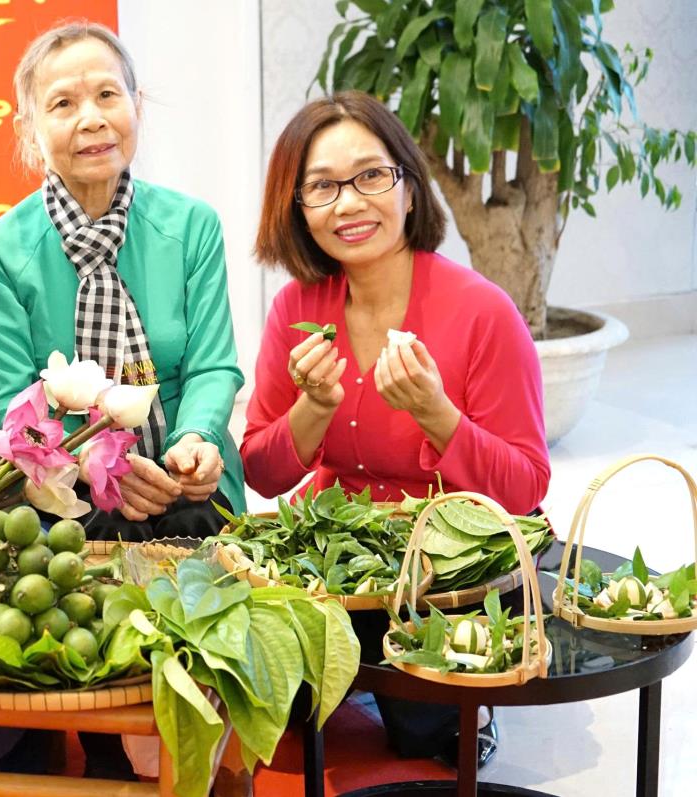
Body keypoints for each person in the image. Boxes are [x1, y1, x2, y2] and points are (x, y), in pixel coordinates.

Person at [243, 90, 551, 767]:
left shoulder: (483, 312)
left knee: (428, 736)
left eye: (371, 176)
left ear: (409, 189)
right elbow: (261, 472)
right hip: (336, 562)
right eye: (322, 187)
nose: (349, 204)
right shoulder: (297, 306)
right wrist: (313, 407)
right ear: (297, 210)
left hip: (449, 565)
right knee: (277, 714)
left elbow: (526, 487)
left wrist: (437, 414)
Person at [0, 21, 244, 544]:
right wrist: (92, 462)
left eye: (107, 95)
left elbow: (213, 366)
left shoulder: (192, 225)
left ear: (136, 105)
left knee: (198, 531)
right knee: (95, 538)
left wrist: (198, 438)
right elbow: (11, 403)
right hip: (66, 486)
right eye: (63, 104)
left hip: (190, 478)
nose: (92, 119)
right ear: (28, 128)